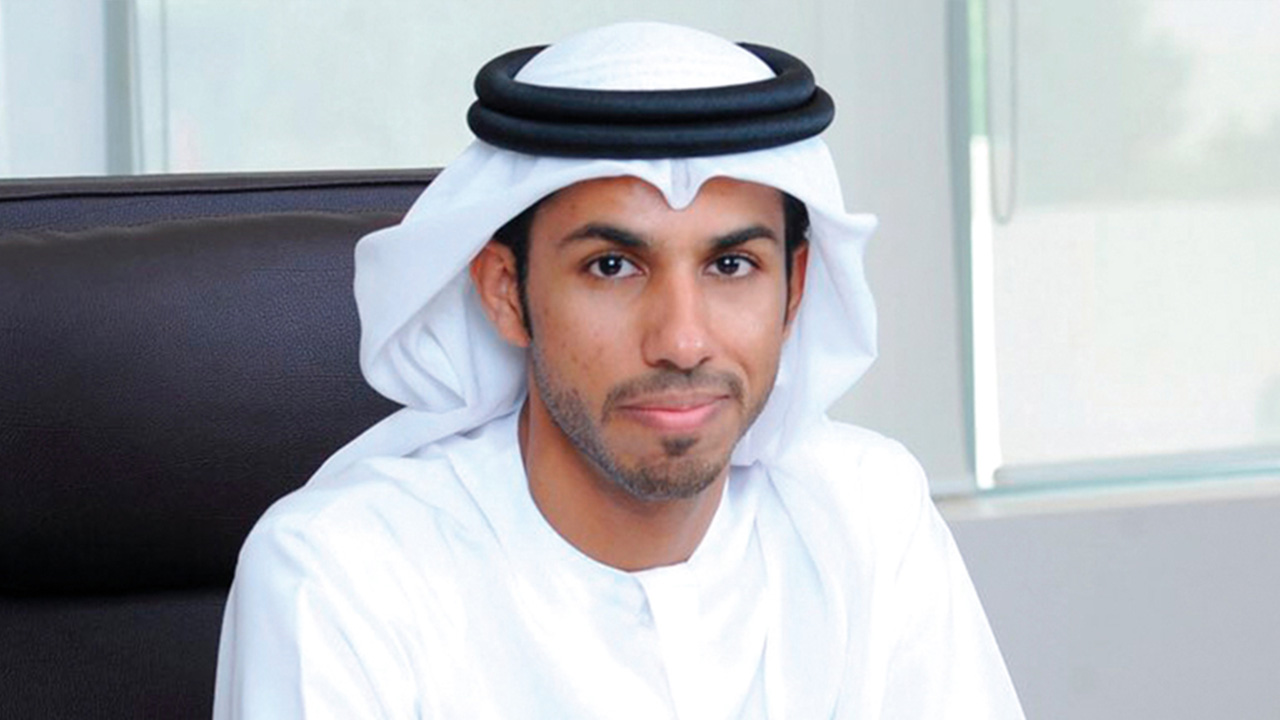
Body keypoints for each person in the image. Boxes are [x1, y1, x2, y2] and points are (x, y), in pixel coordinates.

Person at [213, 22, 1024, 719]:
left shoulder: (867, 518)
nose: (682, 341)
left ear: (795, 289)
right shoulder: (342, 576)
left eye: (732, 265)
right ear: (506, 292)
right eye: (611, 266)